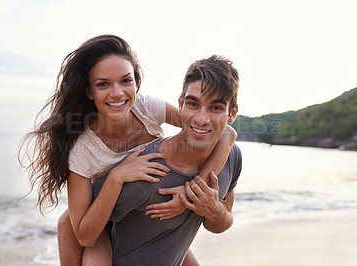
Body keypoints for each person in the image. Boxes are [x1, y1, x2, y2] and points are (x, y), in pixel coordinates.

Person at [18, 35, 237, 265]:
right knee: (69, 227)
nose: (117, 93)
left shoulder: (147, 109)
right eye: (103, 84)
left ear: (136, 83)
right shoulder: (83, 150)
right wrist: (117, 175)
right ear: (89, 91)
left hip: (142, 218)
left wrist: (187, 194)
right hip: (104, 220)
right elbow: (84, 233)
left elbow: (224, 133)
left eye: (125, 81)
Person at [90, 54, 242, 265]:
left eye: (216, 108)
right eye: (193, 104)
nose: (201, 118)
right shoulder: (145, 171)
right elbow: (74, 225)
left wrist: (213, 209)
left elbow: (220, 223)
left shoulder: (232, 156)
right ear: (180, 104)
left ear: (232, 113)